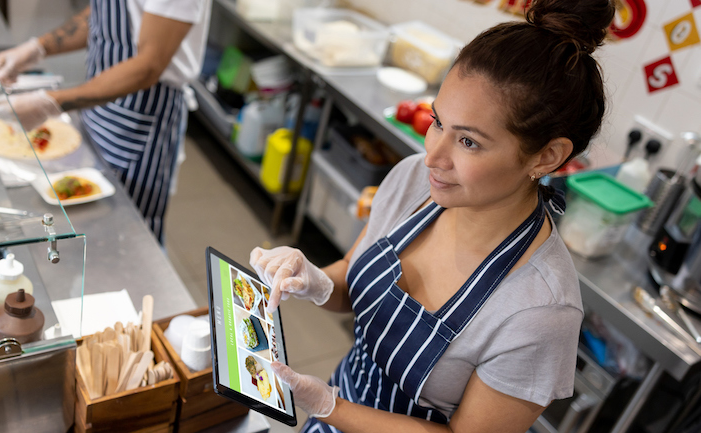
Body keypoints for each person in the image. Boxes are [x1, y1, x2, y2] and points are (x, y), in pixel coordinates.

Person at [249, 0, 615, 431]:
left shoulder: (541, 312)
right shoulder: (413, 182)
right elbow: (354, 278)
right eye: (438, 121)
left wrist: (332, 407)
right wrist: (314, 280)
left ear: (548, 155)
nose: (432, 155)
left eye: (469, 143)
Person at [0, 0, 211, 242]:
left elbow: (148, 66)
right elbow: (109, 13)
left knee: (131, 231)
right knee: (92, 217)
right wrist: (37, 47)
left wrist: (51, 102)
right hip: (97, 103)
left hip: (141, 115)